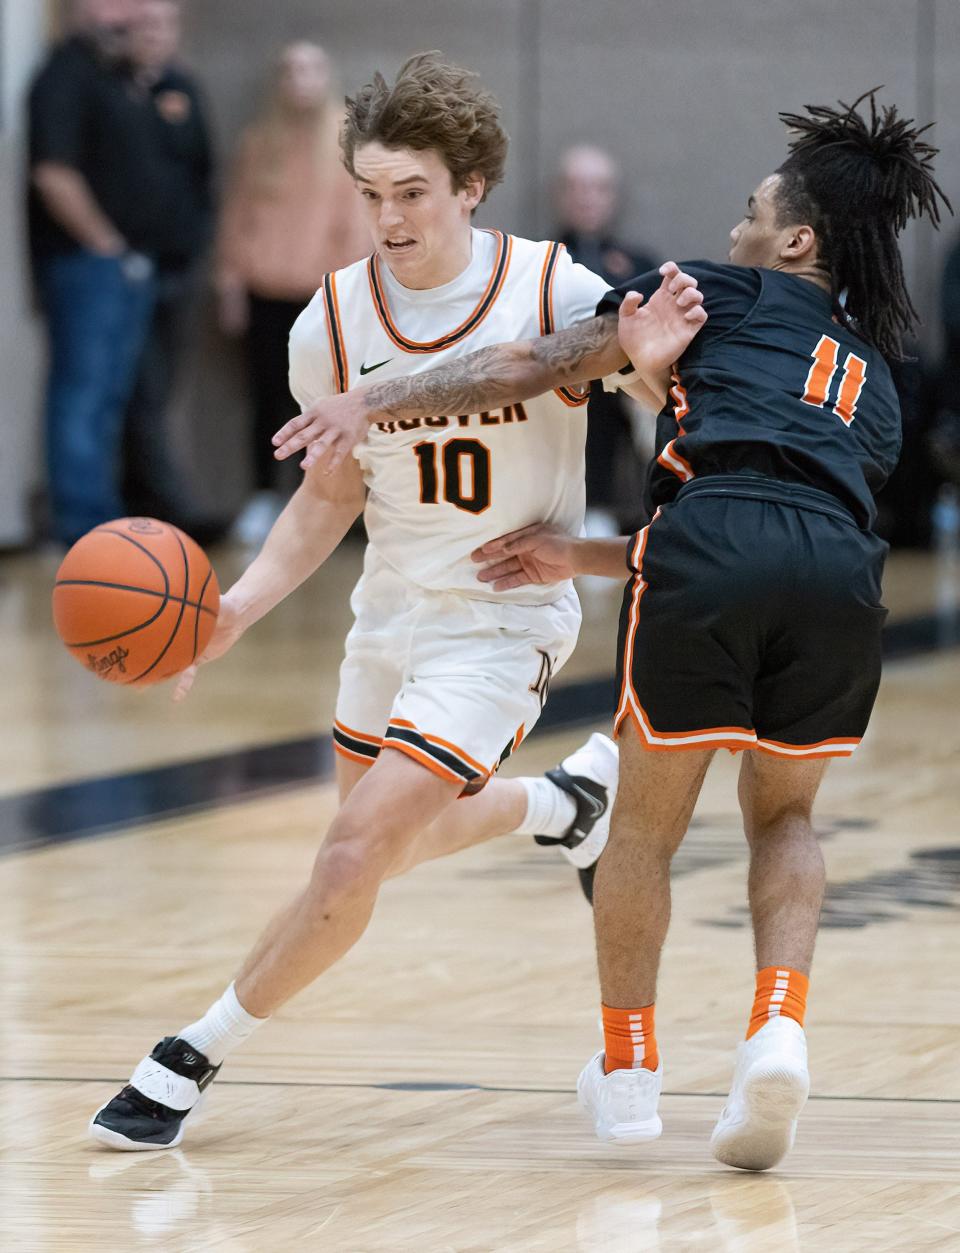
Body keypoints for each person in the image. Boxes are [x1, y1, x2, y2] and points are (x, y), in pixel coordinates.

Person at [273, 91, 948, 1171]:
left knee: (640, 828)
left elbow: (520, 369)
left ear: (794, 240)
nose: (733, 229)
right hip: (840, 578)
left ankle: (630, 1073)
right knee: (786, 816)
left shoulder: (704, 288)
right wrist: (585, 547)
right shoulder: (874, 382)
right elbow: (784, 507)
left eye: (749, 212)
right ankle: (778, 1024)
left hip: (708, 555)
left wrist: (375, 401)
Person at [88, 52, 706, 1152]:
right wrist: (236, 606)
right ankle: (562, 806)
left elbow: (671, 434)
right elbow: (329, 497)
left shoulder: (552, 289)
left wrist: (609, 527)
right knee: (381, 843)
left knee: (349, 857)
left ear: (469, 184)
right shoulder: (327, 322)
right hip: (389, 616)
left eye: (411, 192)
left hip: (503, 620)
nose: (388, 217)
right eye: (370, 194)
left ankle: (188, 1055)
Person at [215, 41, 369, 547]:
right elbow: (238, 215)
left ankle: (333, 499)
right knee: (265, 396)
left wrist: (350, 290)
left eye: (310, 69)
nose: (300, 79)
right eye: (290, 70)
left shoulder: (348, 138)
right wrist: (230, 280)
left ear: (327, 76)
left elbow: (357, 220)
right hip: (266, 289)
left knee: (330, 399)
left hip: (324, 294)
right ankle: (264, 495)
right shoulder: (259, 141)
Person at [28, 0, 158, 545]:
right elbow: (54, 173)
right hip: (87, 267)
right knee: (82, 396)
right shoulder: (63, 76)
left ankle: (98, 518)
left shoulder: (118, 80)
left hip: (122, 268)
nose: (124, 18)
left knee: (107, 398)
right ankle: (80, 524)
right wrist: (106, 246)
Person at [121, 0, 220, 537]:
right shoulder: (112, 88)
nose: (154, 35)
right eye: (144, 25)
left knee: (160, 388)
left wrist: (198, 242)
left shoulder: (184, 88)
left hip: (178, 265)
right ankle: (153, 500)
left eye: (163, 25)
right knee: (130, 387)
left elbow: (204, 173)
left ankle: (164, 500)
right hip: (123, 267)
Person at [554, 145, 656, 535]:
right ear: (561, 195)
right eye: (576, 187)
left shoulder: (640, 264)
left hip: (628, 385)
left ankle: (633, 512)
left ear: (613, 196)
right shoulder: (538, 261)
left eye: (597, 187)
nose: (586, 197)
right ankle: (585, 509)